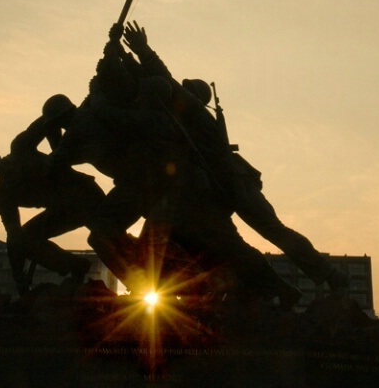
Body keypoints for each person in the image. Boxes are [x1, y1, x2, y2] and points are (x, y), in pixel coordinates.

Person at [121, 21, 350, 297]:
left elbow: (164, 81)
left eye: (185, 91)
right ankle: (275, 288)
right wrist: (124, 59)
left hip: (236, 183)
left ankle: (329, 274)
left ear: (193, 97)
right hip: (217, 188)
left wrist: (144, 51)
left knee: (272, 230)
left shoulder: (196, 115)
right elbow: (155, 87)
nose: (177, 95)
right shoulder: (183, 120)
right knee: (228, 243)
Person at [0, 138, 105, 295]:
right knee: (27, 239)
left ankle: (132, 273)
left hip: (85, 194)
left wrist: (58, 151)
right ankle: (76, 266)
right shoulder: (2, 196)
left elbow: (48, 121)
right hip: (65, 210)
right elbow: (15, 236)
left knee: (109, 239)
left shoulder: (21, 149)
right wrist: (18, 275)